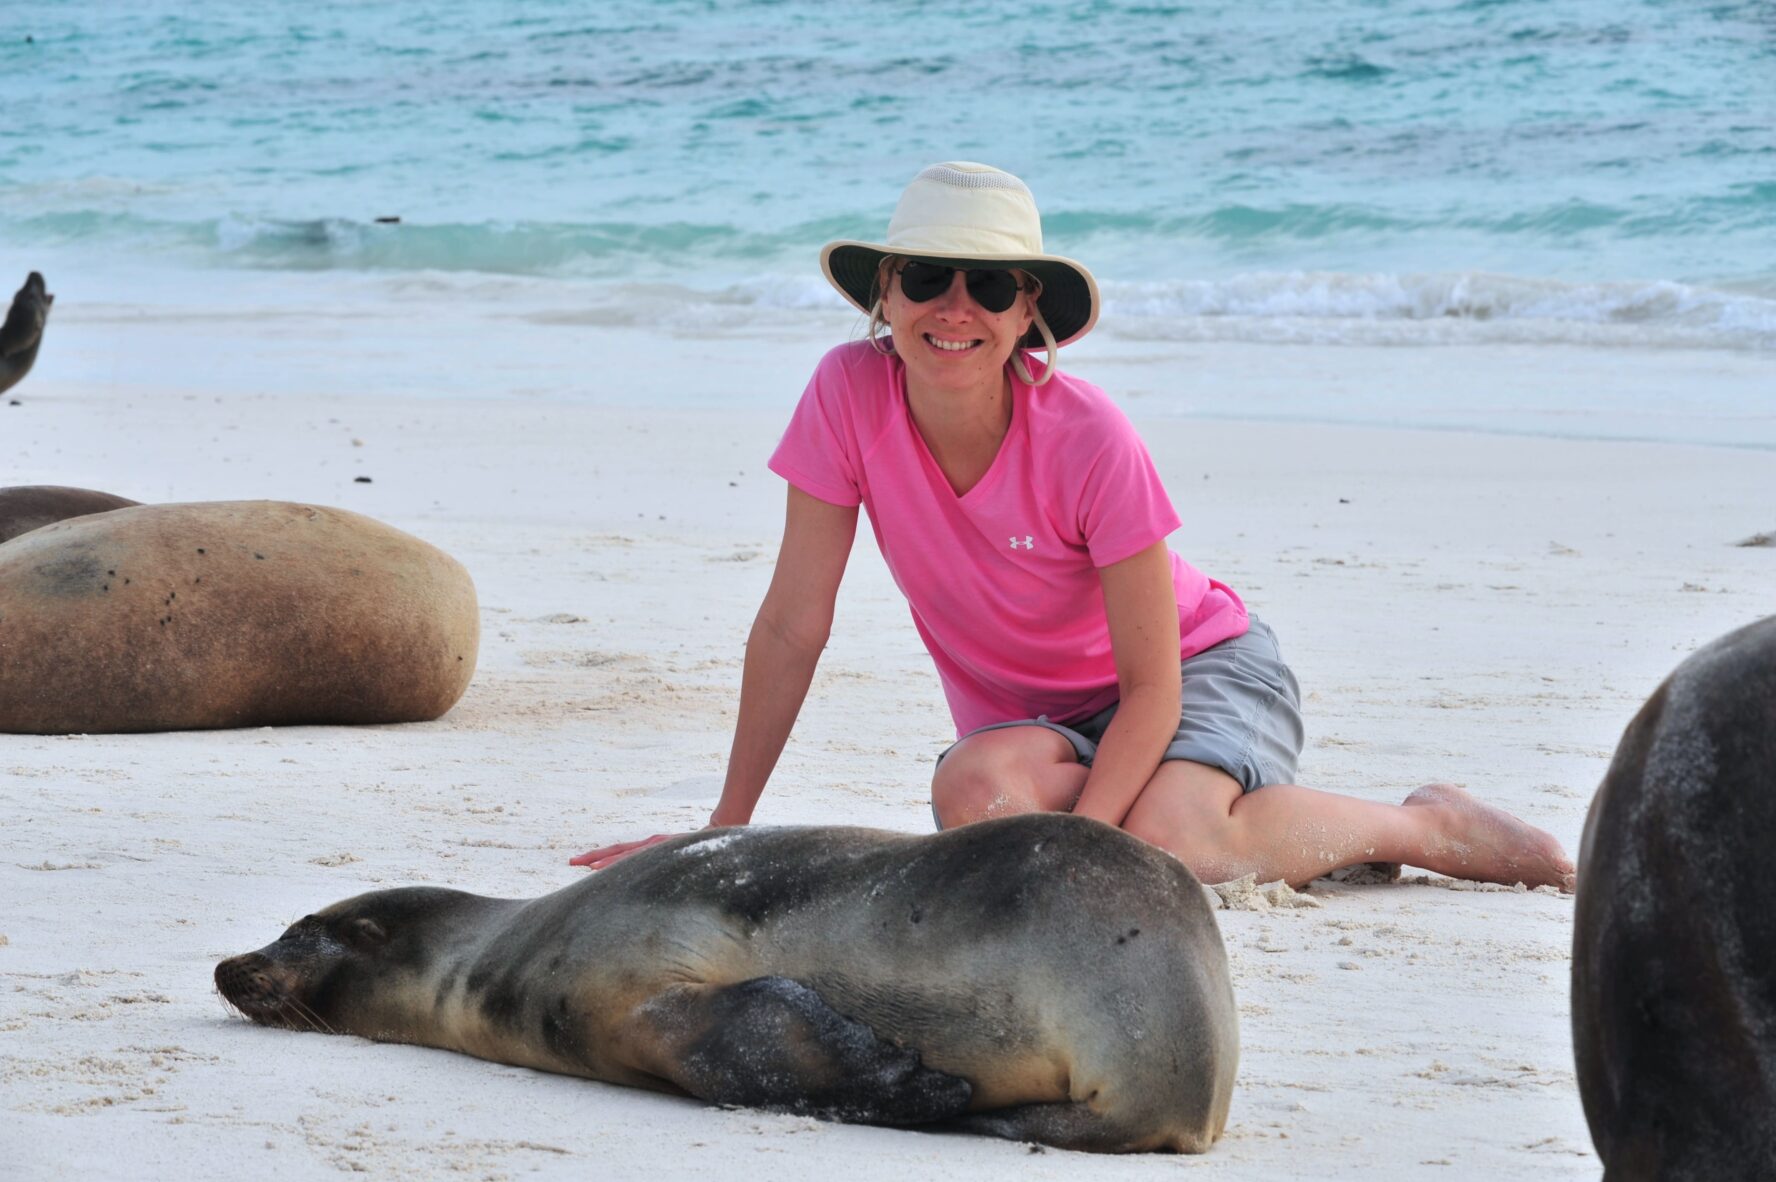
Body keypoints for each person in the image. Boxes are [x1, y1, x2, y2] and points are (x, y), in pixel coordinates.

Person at [573, 161, 1574, 892]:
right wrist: (722, 829)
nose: (953, 307)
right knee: (973, 796)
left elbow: (1153, 687)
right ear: (884, 295)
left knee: (1177, 848)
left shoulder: (1090, 435)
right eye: (925, 277)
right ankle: (1190, 821)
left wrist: (1076, 859)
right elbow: (794, 624)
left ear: (1025, 316)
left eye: (990, 286)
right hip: (1043, 728)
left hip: (1199, 674)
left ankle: (1419, 826)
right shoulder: (845, 395)